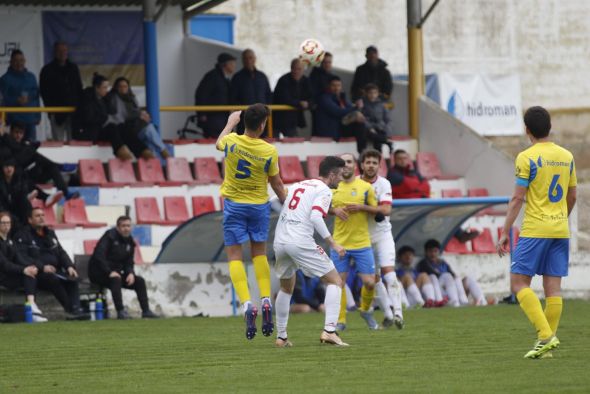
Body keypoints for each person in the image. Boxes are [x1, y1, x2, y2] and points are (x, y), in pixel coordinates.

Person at [497, 106, 577, 359]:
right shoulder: (567, 156)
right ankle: (546, 350)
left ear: (527, 129)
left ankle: (545, 335)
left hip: (535, 229)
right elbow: (572, 195)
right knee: (553, 289)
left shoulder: (526, 157)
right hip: (560, 229)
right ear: (550, 126)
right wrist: (561, 217)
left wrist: (504, 231)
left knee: (518, 283)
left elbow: (517, 199)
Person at [215, 104, 287, 340]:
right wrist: (288, 204)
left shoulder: (232, 141)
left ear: (243, 121)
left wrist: (230, 122)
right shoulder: (269, 151)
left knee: (235, 256)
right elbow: (277, 184)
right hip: (258, 207)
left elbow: (218, 143)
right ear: (263, 124)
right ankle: (266, 298)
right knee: (259, 254)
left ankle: (247, 304)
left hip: (234, 205)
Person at [272, 156, 348, 347]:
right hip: (300, 241)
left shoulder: (300, 184)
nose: (341, 179)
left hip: (280, 240)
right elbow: (315, 216)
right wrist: (333, 243)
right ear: (331, 174)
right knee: (335, 281)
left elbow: (274, 199)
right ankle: (330, 331)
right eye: (340, 175)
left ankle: (281, 337)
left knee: (286, 288)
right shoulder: (324, 190)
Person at [330, 153, 379, 331]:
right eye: (342, 163)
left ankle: (365, 310)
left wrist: (362, 207)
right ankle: (341, 321)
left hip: (361, 243)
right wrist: (334, 211)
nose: (346, 165)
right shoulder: (332, 187)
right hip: (340, 243)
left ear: (355, 165)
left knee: (370, 283)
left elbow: (377, 210)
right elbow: (322, 209)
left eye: (349, 162)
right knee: (338, 283)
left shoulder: (365, 187)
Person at [15, 207, 87, 319]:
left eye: (43, 215)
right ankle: (70, 310)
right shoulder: (23, 235)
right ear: (30, 220)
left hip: (55, 271)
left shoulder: (50, 233)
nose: (41, 218)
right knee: (53, 279)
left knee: (72, 278)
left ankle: (77, 309)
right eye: (37, 216)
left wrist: (69, 266)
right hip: (37, 273)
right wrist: (42, 267)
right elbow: (22, 257)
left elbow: (61, 252)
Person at [359, 149, 404, 328]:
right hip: (362, 238)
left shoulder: (384, 184)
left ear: (379, 165)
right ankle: (387, 314)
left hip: (383, 235)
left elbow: (386, 210)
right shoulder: (354, 183)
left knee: (388, 271)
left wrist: (363, 207)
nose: (371, 165)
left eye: (374, 163)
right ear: (362, 165)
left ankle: (398, 313)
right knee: (373, 278)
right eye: (367, 162)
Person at [88, 216, 158, 319]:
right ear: (118, 227)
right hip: (99, 273)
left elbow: (129, 262)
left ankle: (146, 311)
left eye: (128, 226)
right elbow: (99, 255)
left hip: (116, 273)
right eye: (123, 226)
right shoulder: (109, 236)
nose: (126, 228)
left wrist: (130, 273)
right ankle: (120, 311)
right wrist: (109, 272)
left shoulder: (130, 242)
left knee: (139, 281)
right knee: (116, 279)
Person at [72, 73, 151, 160]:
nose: (107, 90)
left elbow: (111, 113)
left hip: (99, 129)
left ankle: (142, 151)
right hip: (87, 132)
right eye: (104, 87)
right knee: (111, 127)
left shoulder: (103, 98)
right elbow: (89, 118)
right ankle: (121, 151)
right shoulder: (86, 98)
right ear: (97, 88)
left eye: (107, 87)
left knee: (123, 127)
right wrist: (106, 119)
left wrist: (109, 103)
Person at [4, 122, 78, 201]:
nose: (18, 135)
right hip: (21, 177)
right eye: (16, 132)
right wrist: (32, 148)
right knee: (34, 155)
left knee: (49, 165)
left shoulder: (24, 144)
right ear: (11, 132)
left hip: (33, 173)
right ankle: (60, 167)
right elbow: (19, 160)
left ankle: (66, 193)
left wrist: (31, 148)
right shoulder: (7, 145)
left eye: (21, 133)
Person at [107, 77, 170, 161]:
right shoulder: (114, 98)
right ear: (116, 87)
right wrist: (139, 114)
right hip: (126, 129)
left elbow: (137, 112)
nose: (123, 88)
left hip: (138, 127)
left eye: (125, 86)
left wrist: (144, 115)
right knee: (149, 130)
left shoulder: (131, 98)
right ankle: (164, 152)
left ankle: (151, 165)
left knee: (149, 135)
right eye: (120, 86)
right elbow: (122, 116)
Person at [0, 211, 47, 322]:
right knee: (27, 274)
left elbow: (19, 258)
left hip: (10, 274)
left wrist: (31, 267)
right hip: (2, 276)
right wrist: (23, 270)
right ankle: (31, 308)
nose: (6, 226)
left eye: (8, 223)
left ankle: (31, 306)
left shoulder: (10, 241)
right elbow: (4, 264)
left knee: (30, 274)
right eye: (3, 223)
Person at [417, 239, 486, 308]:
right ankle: (456, 302)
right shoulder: (424, 263)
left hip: (450, 287)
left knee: (467, 279)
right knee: (446, 276)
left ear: (438, 252)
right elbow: (435, 275)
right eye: (430, 251)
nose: (433, 254)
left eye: (435, 251)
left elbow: (453, 274)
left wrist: (455, 280)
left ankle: (481, 300)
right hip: (437, 290)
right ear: (426, 252)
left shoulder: (442, 262)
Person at [315, 76, 373, 153]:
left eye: (338, 85)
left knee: (361, 124)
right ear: (328, 86)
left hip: (341, 128)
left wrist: (357, 109)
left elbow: (350, 108)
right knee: (361, 124)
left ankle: (363, 150)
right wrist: (356, 107)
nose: (336, 88)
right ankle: (375, 142)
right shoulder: (324, 98)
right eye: (333, 85)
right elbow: (338, 112)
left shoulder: (342, 97)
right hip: (332, 130)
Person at [39, 42, 83, 141]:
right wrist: (51, 110)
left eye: (64, 50)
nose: (62, 53)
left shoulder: (73, 68)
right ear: (54, 52)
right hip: (56, 112)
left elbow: (79, 88)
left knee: (74, 142)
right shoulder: (47, 70)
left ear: (67, 52)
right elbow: (44, 91)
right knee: (57, 143)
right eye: (59, 51)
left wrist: (79, 108)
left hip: (73, 113)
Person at [0, 50, 41, 141]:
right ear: (11, 62)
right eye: (16, 60)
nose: (19, 63)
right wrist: (16, 100)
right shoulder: (4, 79)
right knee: (15, 150)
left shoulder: (31, 77)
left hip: (30, 120)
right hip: (14, 121)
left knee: (30, 149)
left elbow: (36, 96)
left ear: (24, 61)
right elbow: (2, 100)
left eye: (21, 60)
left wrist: (38, 116)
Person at [194, 52, 236, 138]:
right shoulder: (212, 76)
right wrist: (202, 114)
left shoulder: (224, 78)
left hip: (222, 118)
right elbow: (201, 94)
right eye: (232, 63)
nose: (234, 66)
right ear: (225, 64)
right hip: (213, 119)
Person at [272, 58, 313, 137]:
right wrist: (300, 103)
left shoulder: (306, 81)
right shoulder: (283, 80)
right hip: (277, 120)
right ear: (291, 68)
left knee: (294, 143)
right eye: (294, 68)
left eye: (299, 69)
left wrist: (308, 104)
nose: (296, 71)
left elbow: (311, 98)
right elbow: (284, 99)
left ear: (303, 70)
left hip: (293, 121)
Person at [361, 83, 392, 152]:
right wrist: (370, 128)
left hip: (380, 128)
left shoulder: (382, 105)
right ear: (366, 93)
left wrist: (387, 131)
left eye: (375, 93)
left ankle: (381, 157)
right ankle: (386, 141)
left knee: (378, 142)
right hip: (369, 130)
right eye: (370, 93)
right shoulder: (362, 104)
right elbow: (363, 119)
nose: (372, 95)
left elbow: (387, 119)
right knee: (373, 135)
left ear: (378, 93)